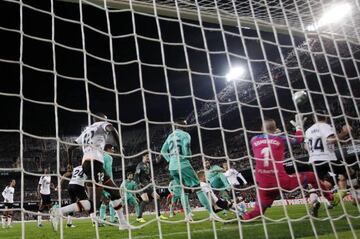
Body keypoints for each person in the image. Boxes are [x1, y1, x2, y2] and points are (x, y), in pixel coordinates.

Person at [51, 113, 130, 231]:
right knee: (93, 204)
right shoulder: (102, 125)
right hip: (95, 163)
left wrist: (70, 163)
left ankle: (123, 223)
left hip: (88, 164)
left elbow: (70, 148)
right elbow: (111, 128)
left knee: (114, 192)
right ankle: (58, 212)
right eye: (106, 119)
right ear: (102, 119)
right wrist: (120, 146)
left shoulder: (86, 131)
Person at [243, 116, 332, 220]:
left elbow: (265, 138)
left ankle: (244, 216)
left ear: (262, 129)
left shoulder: (253, 140)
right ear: (275, 128)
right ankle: (330, 198)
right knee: (311, 176)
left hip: (263, 185)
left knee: (257, 211)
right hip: (282, 181)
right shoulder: (280, 138)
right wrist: (298, 128)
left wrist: (273, 134)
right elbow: (299, 140)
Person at [160, 119, 215, 221]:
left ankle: (187, 216)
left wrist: (169, 160)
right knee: (198, 188)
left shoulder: (170, 136)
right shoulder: (185, 135)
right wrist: (187, 156)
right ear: (183, 126)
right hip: (183, 164)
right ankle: (212, 214)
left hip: (172, 167)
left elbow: (163, 151)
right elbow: (186, 149)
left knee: (183, 191)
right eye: (186, 125)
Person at [305, 110, 352, 208]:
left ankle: (314, 202)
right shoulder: (326, 126)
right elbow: (331, 140)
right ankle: (339, 196)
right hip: (327, 158)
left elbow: (306, 146)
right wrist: (344, 132)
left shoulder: (308, 130)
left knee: (320, 183)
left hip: (313, 160)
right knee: (349, 171)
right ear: (326, 117)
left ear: (314, 119)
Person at [134, 153, 168, 222]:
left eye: (149, 156)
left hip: (147, 184)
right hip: (141, 185)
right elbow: (136, 176)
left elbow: (146, 175)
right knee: (146, 200)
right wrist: (139, 183)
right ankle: (139, 217)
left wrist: (150, 179)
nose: (148, 157)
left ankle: (159, 215)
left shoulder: (148, 165)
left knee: (157, 197)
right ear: (143, 156)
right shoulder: (139, 165)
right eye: (147, 156)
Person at [99, 144, 117, 224]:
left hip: (105, 180)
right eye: (112, 149)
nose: (113, 151)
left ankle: (104, 219)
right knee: (112, 199)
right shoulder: (107, 157)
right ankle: (110, 219)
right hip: (106, 181)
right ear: (108, 149)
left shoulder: (102, 156)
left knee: (107, 200)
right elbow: (103, 169)